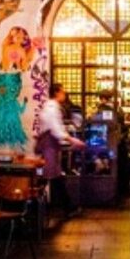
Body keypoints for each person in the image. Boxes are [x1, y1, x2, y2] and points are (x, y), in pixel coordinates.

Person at [36, 83, 85, 216]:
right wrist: (72, 140)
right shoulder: (53, 108)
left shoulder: (49, 106)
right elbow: (57, 130)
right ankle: (60, 208)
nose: (65, 94)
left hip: (49, 144)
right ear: (57, 93)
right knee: (52, 176)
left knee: (53, 176)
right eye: (63, 92)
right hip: (49, 146)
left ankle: (63, 207)